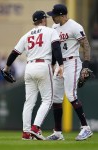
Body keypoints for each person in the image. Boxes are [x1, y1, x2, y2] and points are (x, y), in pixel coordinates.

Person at [3, 10, 63, 140]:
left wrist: (7, 68)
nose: (47, 20)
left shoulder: (27, 35)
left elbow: (14, 53)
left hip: (29, 67)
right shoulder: (50, 31)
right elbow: (56, 49)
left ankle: (26, 132)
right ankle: (35, 128)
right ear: (43, 20)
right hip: (43, 65)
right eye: (45, 18)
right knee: (47, 99)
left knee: (29, 102)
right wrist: (60, 65)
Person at [46, 4, 93, 141]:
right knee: (55, 98)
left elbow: (86, 45)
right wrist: (54, 64)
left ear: (62, 15)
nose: (52, 17)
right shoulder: (54, 28)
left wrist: (85, 66)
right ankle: (58, 133)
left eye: (54, 15)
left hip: (72, 62)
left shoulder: (75, 26)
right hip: (60, 64)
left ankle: (86, 128)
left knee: (71, 95)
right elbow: (55, 49)